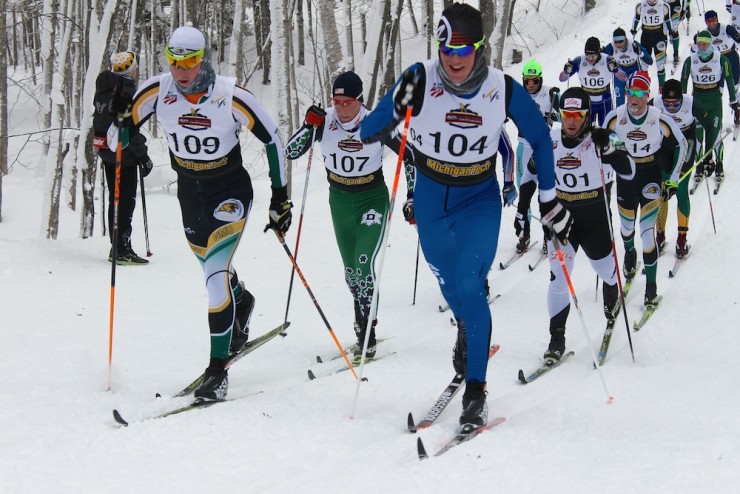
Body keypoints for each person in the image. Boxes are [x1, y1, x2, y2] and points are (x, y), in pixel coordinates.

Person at [360, 3, 572, 431]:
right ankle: (465, 329)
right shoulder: (420, 79)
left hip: (479, 199)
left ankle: (476, 391)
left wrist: (548, 195)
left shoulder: (503, 88)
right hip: (432, 204)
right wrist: (396, 115)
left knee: (471, 285)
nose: (454, 59)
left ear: (481, 47)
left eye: (464, 48)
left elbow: (539, 137)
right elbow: (371, 128)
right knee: (452, 289)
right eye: (446, 48)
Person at [107, 26, 292, 401]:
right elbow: (115, 145)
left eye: (190, 60)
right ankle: (243, 301)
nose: (182, 69)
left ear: (202, 58)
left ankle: (216, 370)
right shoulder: (157, 91)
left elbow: (273, 138)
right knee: (211, 267)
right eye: (175, 60)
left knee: (214, 275)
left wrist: (279, 198)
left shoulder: (229, 94)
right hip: (189, 192)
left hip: (230, 191)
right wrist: (120, 120)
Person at [519, 87, 635, 363]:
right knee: (559, 277)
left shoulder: (603, 137)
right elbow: (530, 173)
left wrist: (610, 150)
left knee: (606, 271)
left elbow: (629, 170)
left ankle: (611, 295)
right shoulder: (550, 140)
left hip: (595, 217)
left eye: (577, 115)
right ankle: (556, 339)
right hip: (562, 218)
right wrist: (523, 207)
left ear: (587, 116)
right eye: (566, 114)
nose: (571, 121)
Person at [283, 71, 389, 363]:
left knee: (364, 264)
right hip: (340, 200)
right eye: (337, 101)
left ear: (359, 100)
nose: (341, 107)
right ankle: (360, 317)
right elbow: (291, 152)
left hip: (372, 199)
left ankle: (367, 331)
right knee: (351, 273)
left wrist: (412, 196)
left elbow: (411, 155)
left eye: (347, 102)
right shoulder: (325, 120)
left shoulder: (375, 121)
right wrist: (308, 126)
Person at [603, 71, 687, 308]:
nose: (634, 99)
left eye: (640, 94)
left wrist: (673, 178)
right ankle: (629, 253)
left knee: (646, 232)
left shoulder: (659, 118)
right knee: (626, 228)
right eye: (630, 93)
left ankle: (651, 289)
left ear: (647, 95)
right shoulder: (614, 117)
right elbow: (599, 144)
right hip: (626, 178)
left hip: (650, 177)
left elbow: (682, 144)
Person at [93, 52, 152, 265]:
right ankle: (121, 249)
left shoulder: (104, 86)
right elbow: (128, 129)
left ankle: (117, 247)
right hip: (123, 152)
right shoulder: (125, 92)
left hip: (106, 150)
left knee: (115, 199)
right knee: (125, 201)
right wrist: (143, 156)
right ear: (132, 70)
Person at [653, 79, 712, 257]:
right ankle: (660, 234)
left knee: (681, 189)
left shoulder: (691, 103)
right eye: (667, 104)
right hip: (665, 145)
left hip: (687, 142)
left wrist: (708, 153)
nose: (671, 107)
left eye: (675, 103)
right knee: (662, 191)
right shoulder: (655, 103)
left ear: (681, 99)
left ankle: (681, 238)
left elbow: (710, 125)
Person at [679, 30, 738, 182]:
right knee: (698, 137)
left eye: (704, 44)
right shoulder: (690, 60)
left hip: (714, 101)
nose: (702, 47)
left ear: (710, 43)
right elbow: (684, 81)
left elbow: (729, 78)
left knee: (715, 135)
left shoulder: (721, 59)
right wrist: (683, 100)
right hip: (697, 100)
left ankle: (719, 165)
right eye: (699, 44)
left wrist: (733, 99)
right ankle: (699, 166)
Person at [515, 59, 560, 253]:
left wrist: (554, 110)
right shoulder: (518, 94)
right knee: (523, 192)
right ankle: (524, 232)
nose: (531, 85)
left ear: (540, 79)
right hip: (523, 147)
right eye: (527, 81)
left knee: (545, 192)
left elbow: (561, 116)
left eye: (534, 80)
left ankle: (547, 234)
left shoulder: (549, 93)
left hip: (542, 148)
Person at [559, 37, 619, 125]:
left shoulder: (607, 60)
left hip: (605, 102)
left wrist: (616, 69)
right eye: (587, 55)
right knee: (586, 131)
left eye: (593, 55)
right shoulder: (579, 61)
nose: (590, 58)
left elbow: (622, 77)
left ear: (599, 52)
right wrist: (566, 71)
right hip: (587, 103)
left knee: (606, 130)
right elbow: (562, 79)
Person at [701, 9, 740, 129]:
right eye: (708, 21)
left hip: (731, 57)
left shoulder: (727, 29)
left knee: (735, 87)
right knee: (718, 91)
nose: (711, 23)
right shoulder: (705, 33)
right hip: (717, 61)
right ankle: (715, 117)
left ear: (717, 20)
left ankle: (737, 109)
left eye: (712, 20)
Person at [603, 27, 654, 106]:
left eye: (621, 41)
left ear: (625, 39)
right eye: (616, 42)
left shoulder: (633, 44)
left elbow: (650, 61)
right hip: (620, 71)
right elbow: (601, 60)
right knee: (620, 98)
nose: (618, 44)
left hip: (634, 70)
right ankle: (620, 116)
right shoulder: (610, 47)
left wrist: (640, 53)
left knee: (637, 95)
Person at [631, 0, 673, 90]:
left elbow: (668, 19)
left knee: (660, 65)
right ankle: (644, 88)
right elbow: (636, 18)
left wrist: (671, 31)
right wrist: (633, 29)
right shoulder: (640, 5)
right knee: (644, 65)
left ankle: (661, 88)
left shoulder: (664, 5)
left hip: (659, 37)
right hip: (646, 37)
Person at [666, 1, 690, 65]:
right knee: (663, 30)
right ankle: (663, 53)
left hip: (675, 5)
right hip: (663, 5)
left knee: (674, 30)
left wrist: (684, 9)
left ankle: (676, 54)